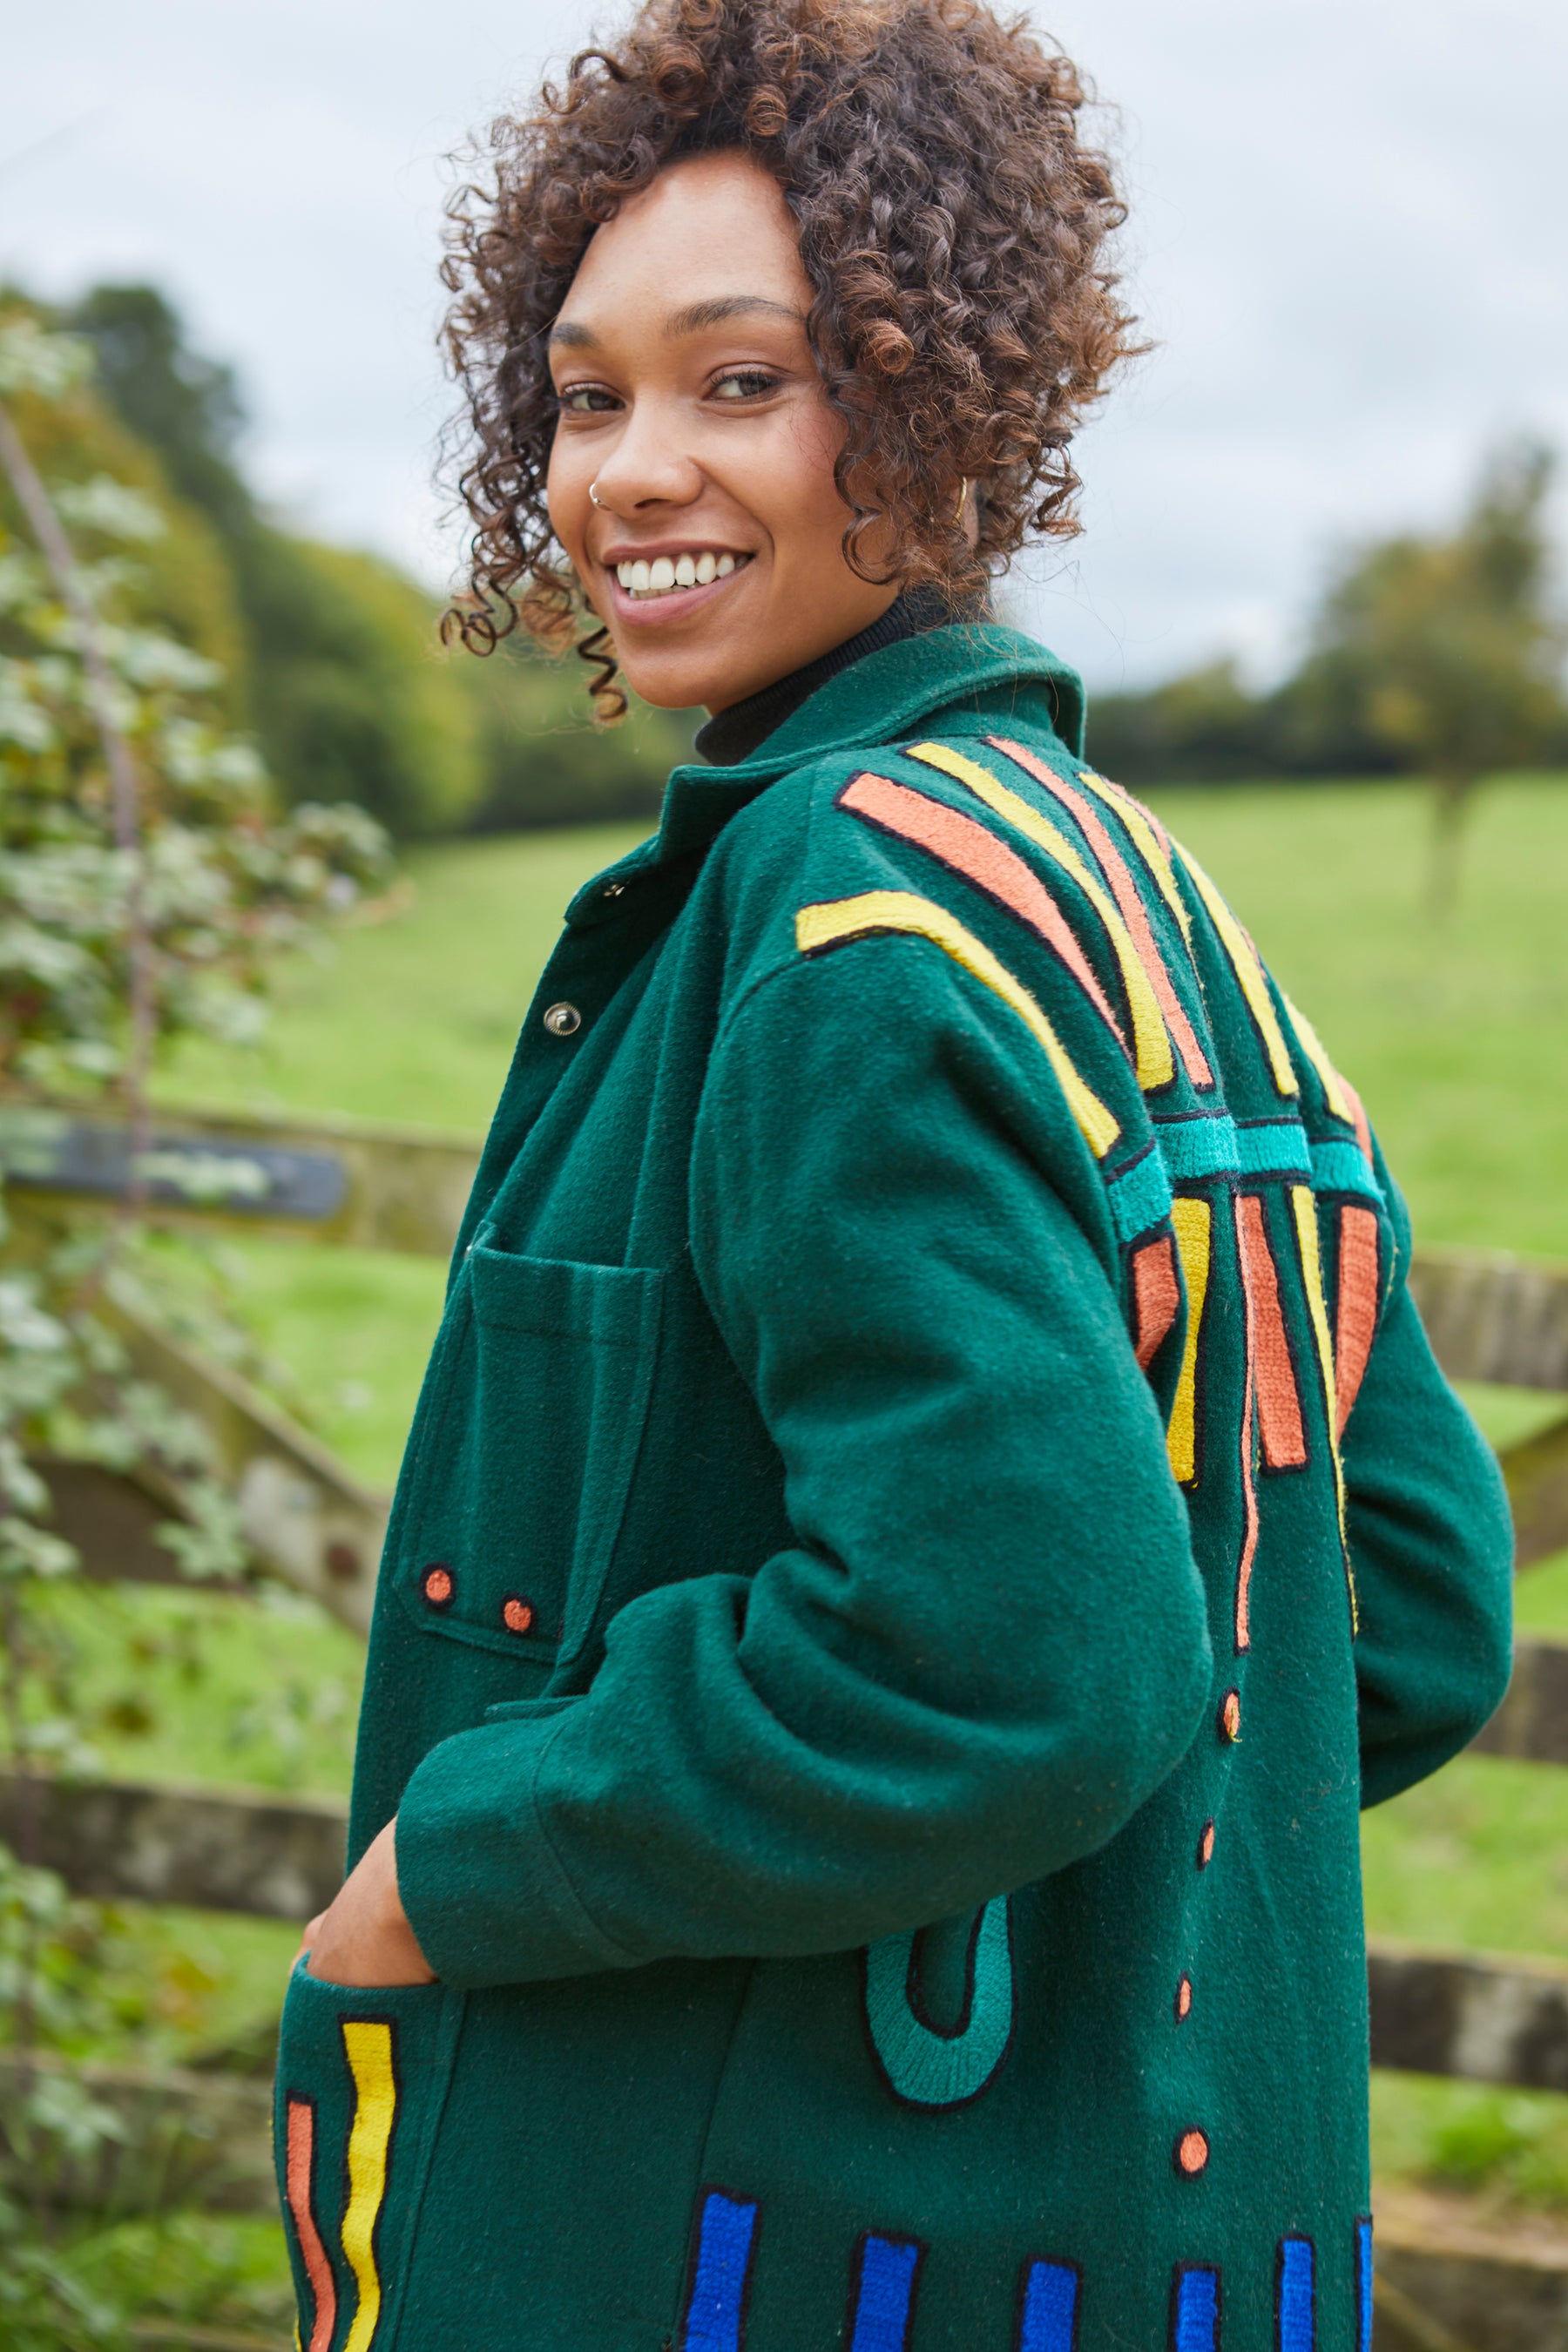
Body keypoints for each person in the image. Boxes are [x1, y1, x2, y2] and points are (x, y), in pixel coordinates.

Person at [276, 5, 1513, 2347]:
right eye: (583, 390)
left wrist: (466, 1859)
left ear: (945, 405)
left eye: (740, 382)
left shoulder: (853, 913)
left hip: (769, 2248)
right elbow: (1410, 1599)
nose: (633, 467)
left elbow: (1018, 1652)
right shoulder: (1140, 889)